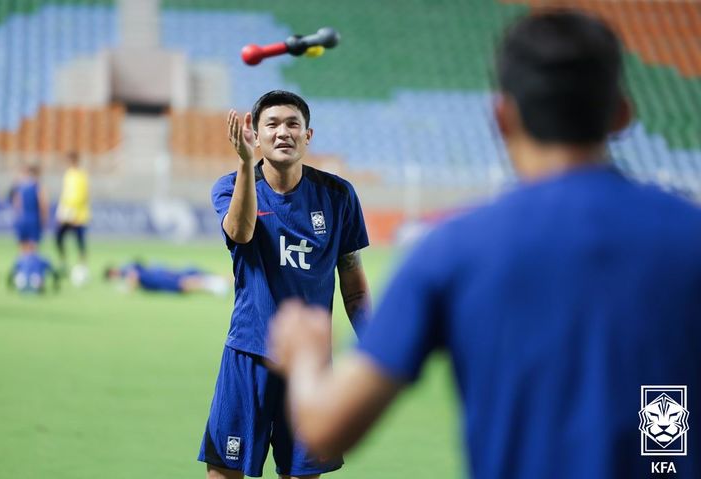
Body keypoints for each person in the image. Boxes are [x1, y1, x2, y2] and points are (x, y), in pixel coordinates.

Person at [268, 11, 701, 479]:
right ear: (622, 113)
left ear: (502, 115)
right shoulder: (689, 235)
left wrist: (306, 353)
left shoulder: (451, 249)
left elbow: (327, 427)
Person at [198, 90, 371, 479]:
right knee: (224, 472)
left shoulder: (338, 195)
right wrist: (245, 165)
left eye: (293, 124)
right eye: (272, 125)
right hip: (247, 353)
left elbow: (355, 286)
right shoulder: (229, 186)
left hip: (309, 363)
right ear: (255, 136)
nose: (283, 133)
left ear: (308, 136)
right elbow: (241, 233)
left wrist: (376, 343)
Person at [55, 152, 91, 283]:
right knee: (58, 237)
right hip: (66, 214)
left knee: (80, 242)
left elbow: (84, 196)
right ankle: (63, 261)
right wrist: (61, 212)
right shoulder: (68, 174)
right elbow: (65, 194)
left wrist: (75, 214)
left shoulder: (82, 175)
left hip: (79, 216)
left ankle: (82, 266)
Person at [103, 261, 230, 296]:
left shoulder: (125, 269)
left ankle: (216, 286)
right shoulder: (127, 267)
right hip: (159, 275)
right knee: (186, 281)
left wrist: (126, 290)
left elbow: (134, 276)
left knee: (183, 285)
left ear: (112, 273)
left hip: (158, 277)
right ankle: (218, 283)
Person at [10, 163, 48, 253]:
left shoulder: (20, 186)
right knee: (33, 247)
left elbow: (16, 203)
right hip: (33, 218)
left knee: (22, 247)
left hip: (21, 218)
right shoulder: (37, 186)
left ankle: (23, 265)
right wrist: (44, 218)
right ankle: (31, 265)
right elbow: (43, 203)